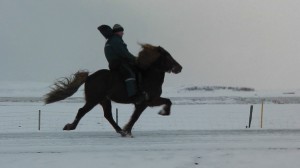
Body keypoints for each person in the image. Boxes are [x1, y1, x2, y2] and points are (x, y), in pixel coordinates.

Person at [104, 24, 148, 104]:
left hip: (115, 62)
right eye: (121, 31)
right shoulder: (115, 40)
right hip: (118, 62)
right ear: (117, 32)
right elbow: (124, 53)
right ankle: (133, 96)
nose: (123, 33)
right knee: (130, 74)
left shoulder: (112, 40)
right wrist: (135, 59)